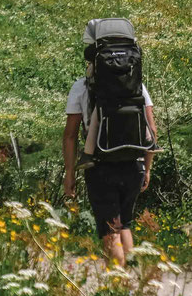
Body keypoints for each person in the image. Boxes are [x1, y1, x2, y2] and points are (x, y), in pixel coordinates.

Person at [62, 17, 158, 265]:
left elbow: (70, 135)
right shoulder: (138, 87)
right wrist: (147, 167)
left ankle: (118, 289)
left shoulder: (81, 87)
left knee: (109, 231)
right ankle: (132, 285)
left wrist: (70, 174)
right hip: (134, 162)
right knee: (123, 224)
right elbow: (151, 129)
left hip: (100, 165)